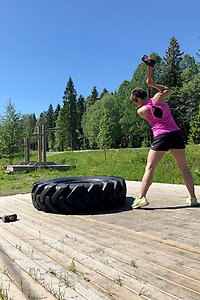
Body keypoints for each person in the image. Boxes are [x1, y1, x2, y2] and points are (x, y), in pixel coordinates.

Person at [130, 76, 198, 208]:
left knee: (150, 168)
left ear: (138, 99)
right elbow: (168, 90)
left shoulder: (141, 111)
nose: (136, 104)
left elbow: (148, 109)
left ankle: (142, 197)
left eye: (135, 101)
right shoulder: (158, 97)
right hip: (175, 134)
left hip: (161, 137)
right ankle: (193, 198)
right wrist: (154, 84)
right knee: (184, 168)